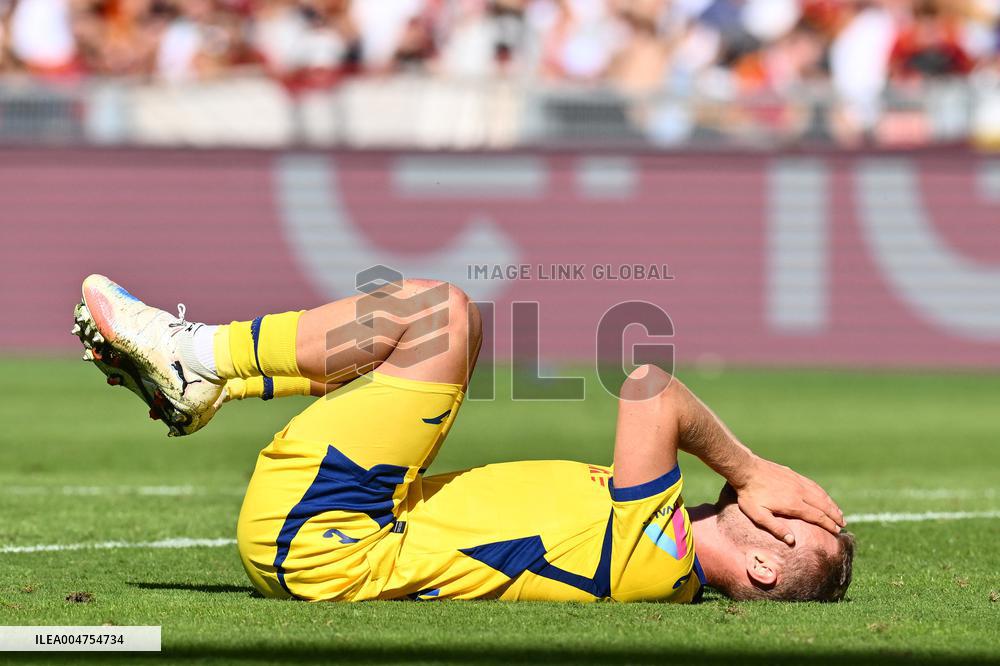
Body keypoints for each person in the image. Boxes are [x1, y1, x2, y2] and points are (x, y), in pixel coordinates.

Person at [73, 273, 853, 603]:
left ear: (759, 562)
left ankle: (201, 358)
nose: (789, 492)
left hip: (327, 541)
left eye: (797, 512)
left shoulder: (662, 558)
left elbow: (651, 391)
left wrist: (751, 468)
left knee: (438, 317)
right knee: (440, 331)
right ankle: (212, 376)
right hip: (345, 532)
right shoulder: (655, 543)